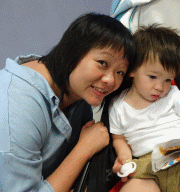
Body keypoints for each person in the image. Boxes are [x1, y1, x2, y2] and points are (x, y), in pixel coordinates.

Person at [0, 13, 135, 192]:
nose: (110, 80)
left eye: (120, 72)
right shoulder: (17, 106)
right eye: (102, 62)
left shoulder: (79, 93)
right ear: (72, 52)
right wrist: (84, 149)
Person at [109, 25, 180, 192]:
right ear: (132, 70)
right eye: (153, 77)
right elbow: (118, 139)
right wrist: (124, 157)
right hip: (147, 167)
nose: (160, 87)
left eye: (168, 79)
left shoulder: (173, 95)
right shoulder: (118, 106)